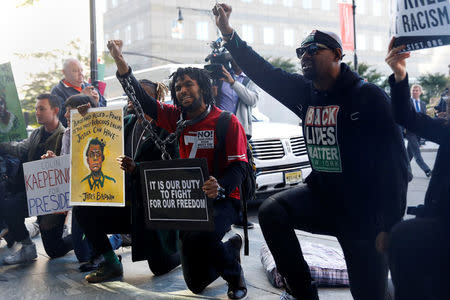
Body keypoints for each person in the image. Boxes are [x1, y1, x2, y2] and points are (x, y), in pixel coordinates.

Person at [212, 4, 410, 300]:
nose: (304, 55)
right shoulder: (305, 91)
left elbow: (397, 166)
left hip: (364, 214)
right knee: (272, 211)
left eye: (313, 49)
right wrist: (228, 33)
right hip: (323, 199)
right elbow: (264, 72)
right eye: (300, 51)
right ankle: (303, 293)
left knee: (370, 295)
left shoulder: (367, 97)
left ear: (337, 55)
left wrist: (390, 225)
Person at [108, 39, 248, 299]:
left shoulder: (228, 122)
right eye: (178, 86)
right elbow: (141, 97)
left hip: (223, 200)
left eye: (188, 85)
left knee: (202, 237)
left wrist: (220, 187)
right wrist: (120, 60)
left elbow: (240, 167)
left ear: (204, 88)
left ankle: (234, 275)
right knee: (196, 284)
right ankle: (230, 247)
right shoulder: (175, 118)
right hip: (189, 202)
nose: (182, 90)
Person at [73, 79, 181, 283]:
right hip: (126, 205)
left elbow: (171, 169)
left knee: (160, 267)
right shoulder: (125, 123)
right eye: (131, 94)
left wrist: (138, 169)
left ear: (155, 100)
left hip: (151, 210)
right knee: (82, 209)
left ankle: (185, 248)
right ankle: (111, 263)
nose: (134, 99)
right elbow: (97, 133)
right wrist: (87, 117)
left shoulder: (166, 129)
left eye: (141, 95)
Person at [386, 37, 450, 300]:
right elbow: (406, 117)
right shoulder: (445, 129)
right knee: (403, 237)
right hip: (437, 227)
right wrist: (400, 74)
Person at [0, 93, 73, 265]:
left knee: (54, 250)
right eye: (36, 109)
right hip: (33, 194)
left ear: (55, 110)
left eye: (42, 108)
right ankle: (27, 247)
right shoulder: (36, 134)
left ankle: (81, 238)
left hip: (53, 201)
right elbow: (20, 149)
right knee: (9, 205)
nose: (37, 112)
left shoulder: (65, 136)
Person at [213, 59, 259, 229]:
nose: (234, 60)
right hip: (218, 131)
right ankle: (220, 212)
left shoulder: (248, 79)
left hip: (240, 131)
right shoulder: (219, 77)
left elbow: (252, 100)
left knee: (241, 174)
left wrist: (232, 82)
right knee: (220, 171)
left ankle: (240, 214)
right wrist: (214, 91)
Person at [51, 58, 106, 127]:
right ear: (64, 72)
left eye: (82, 70)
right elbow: (60, 117)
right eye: (75, 71)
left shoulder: (89, 87)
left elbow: (104, 107)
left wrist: (97, 103)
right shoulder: (57, 91)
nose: (80, 74)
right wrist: (81, 96)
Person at [404, 84, 431, 177]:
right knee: (417, 152)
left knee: (408, 155)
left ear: (420, 92)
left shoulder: (423, 104)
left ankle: (404, 170)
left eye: (417, 90)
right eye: (413, 90)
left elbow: (424, 118)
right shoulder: (407, 102)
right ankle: (427, 170)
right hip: (410, 131)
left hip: (419, 132)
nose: (414, 92)